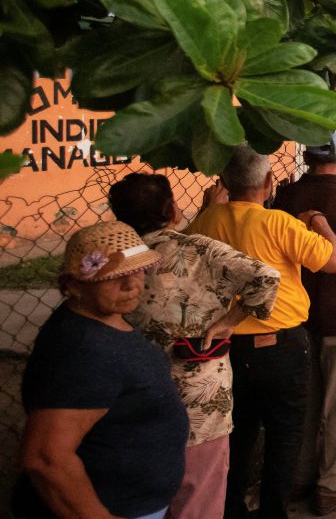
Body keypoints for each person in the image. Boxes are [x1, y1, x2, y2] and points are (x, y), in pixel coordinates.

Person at [109, 174, 281, 519]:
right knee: (198, 498)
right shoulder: (200, 250)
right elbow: (267, 277)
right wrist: (231, 320)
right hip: (200, 401)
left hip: (131, 399)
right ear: (173, 210)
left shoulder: (111, 261)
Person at [187, 145, 336, 519]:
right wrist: (320, 222)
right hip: (283, 347)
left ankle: (232, 508)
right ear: (271, 182)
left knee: (237, 433)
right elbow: (334, 262)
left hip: (226, 348)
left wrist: (211, 206)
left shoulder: (206, 224)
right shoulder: (280, 223)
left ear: (223, 182)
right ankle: (274, 511)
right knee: (285, 435)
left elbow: (189, 248)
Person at [14, 221, 188, 519]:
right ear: (73, 286)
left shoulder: (101, 319)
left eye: (137, 269)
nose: (133, 283)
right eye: (114, 276)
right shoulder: (82, 348)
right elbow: (46, 458)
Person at [272, 134, 336, 514]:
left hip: (294, 312)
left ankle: (297, 478)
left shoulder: (287, 197)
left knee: (307, 397)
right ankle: (332, 483)